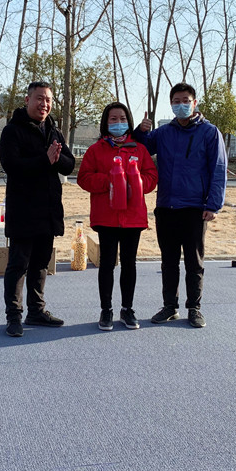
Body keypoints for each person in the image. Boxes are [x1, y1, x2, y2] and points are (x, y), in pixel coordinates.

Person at [133, 83, 227, 328]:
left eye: (185, 100)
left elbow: (218, 169)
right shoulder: (164, 133)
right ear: (171, 104)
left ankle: (194, 308)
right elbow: (141, 147)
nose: (181, 105)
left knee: (194, 262)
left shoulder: (209, 132)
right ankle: (169, 306)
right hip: (166, 206)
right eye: (176, 101)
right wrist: (140, 131)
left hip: (195, 207)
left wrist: (213, 204)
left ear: (194, 103)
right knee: (169, 261)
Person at [0, 81, 75, 337]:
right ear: (27, 100)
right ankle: (14, 316)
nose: (44, 104)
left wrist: (55, 159)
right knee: (18, 265)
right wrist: (45, 160)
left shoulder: (54, 131)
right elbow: (11, 165)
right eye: (40, 98)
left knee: (41, 264)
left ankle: (36, 310)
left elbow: (69, 164)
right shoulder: (12, 131)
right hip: (23, 210)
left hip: (48, 210)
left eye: (49, 100)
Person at [77, 102, 158, 331]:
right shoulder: (96, 150)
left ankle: (127, 309)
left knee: (129, 264)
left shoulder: (139, 149)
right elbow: (84, 178)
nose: (118, 122)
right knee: (107, 264)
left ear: (128, 121)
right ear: (106, 122)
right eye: (113, 119)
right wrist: (110, 181)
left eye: (122, 118)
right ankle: (106, 309)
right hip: (106, 217)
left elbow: (152, 176)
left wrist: (135, 183)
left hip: (133, 217)